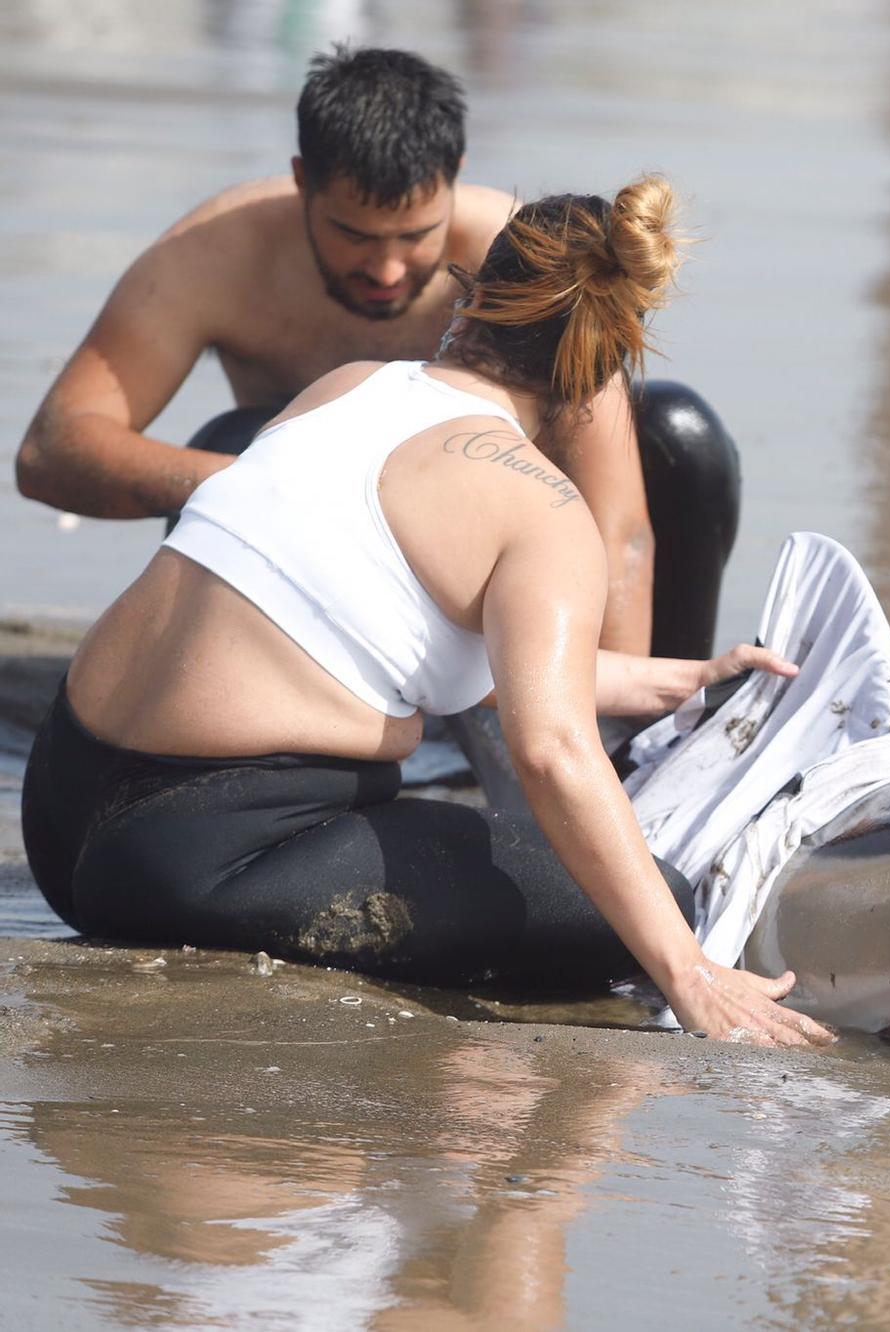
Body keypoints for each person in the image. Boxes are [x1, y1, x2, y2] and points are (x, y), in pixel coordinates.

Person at [20, 174, 833, 1049]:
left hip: (62, 810)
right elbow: (553, 749)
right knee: (658, 903)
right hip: (203, 867)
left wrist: (681, 678)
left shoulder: (348, 387)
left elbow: (382, 632)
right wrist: (690, 972)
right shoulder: (544, 510)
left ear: (470, 296)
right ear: (603, 365)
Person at [12, 44, 737, 663]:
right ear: (303, 182)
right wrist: (268, 482)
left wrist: (611, 728)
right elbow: (52, 450)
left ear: (455, 176)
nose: (387, 271)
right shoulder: (211, 257)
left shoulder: (527, 254)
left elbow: (620, 526)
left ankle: (667, 736)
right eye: (355, 236)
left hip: (501, 545)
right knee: (236, 442)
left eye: (416, 236)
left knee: (678, 436)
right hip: (320, 570)